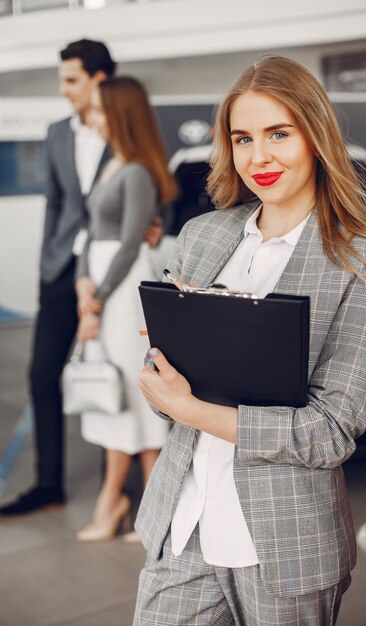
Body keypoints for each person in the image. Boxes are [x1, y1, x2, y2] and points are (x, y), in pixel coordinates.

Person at [132, 57, 366, 625]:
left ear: (316, 136)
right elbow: (158, 387)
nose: (259, 157)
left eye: (279, 133)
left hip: (284, 543)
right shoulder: (202, 237)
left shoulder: (358, 260)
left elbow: (330, 432)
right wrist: (162, 374)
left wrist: (192, 408)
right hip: (182, 525)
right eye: (243, 138)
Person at [0, 40, 160, 518]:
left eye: (71, 79)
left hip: (116, 266)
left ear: (99, 79)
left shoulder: (124, 126)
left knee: (125, 369)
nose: (63, 89)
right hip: (64, 268)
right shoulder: (56, 133)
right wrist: (49, 257)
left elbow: (152, 184)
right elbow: (55, 201)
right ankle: (50, 483)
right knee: (44, 373)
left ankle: (128, 482)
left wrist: (152, 225)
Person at [74, 76, 177, 542]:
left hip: (122, 294)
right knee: (119, 390)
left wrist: (95, 298)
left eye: (98, 109)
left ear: (121, 113)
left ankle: (124, 504)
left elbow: (131, 242)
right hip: (102, 291)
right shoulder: (112, 166)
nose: (90, 117)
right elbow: (90, 233)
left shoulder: (136, 170)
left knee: (132, 391)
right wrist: (82, 281)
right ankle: (127, 503)